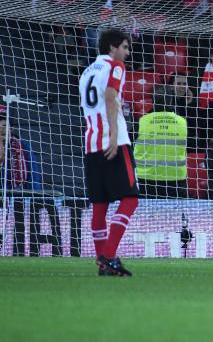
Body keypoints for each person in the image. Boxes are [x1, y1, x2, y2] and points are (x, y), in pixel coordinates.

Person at [78, 28, 138, 276]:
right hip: (114, 142)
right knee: (131, 198)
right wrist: (114, 135)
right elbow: (111, 97)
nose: (126, 52)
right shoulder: (115, 67)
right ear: (112, 47)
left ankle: (103, 263)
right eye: (124, 47)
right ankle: (110, 255)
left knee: (100, 205)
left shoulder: (85, 73)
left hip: (91, 143)